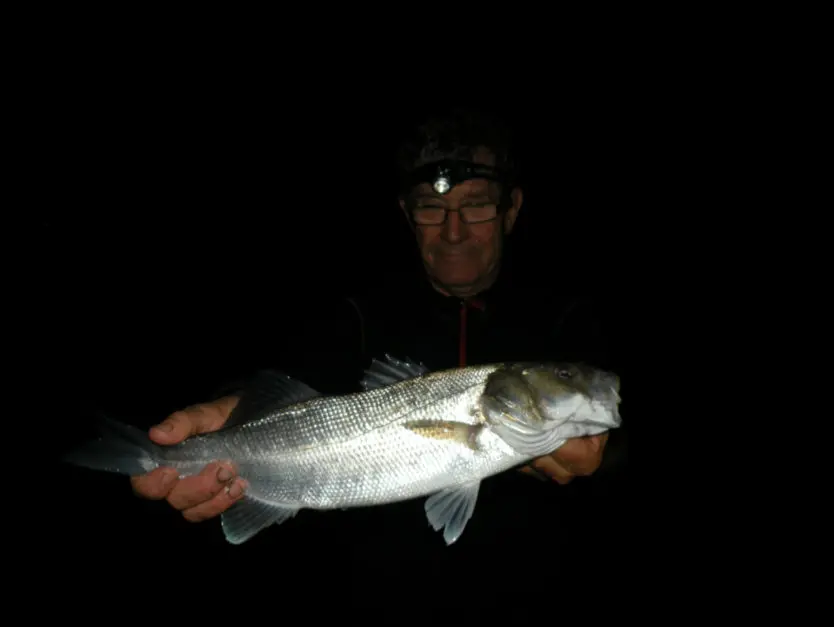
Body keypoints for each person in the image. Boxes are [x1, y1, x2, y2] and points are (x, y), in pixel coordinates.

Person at [129, 107, 625, 545]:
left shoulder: (568, 317)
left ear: (511, 209)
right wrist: (229, 413)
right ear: (408, 216)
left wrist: (609, 460)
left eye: (475, 204)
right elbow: (290, 375)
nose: (454, 231)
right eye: (432, 208)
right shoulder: (357, 316)